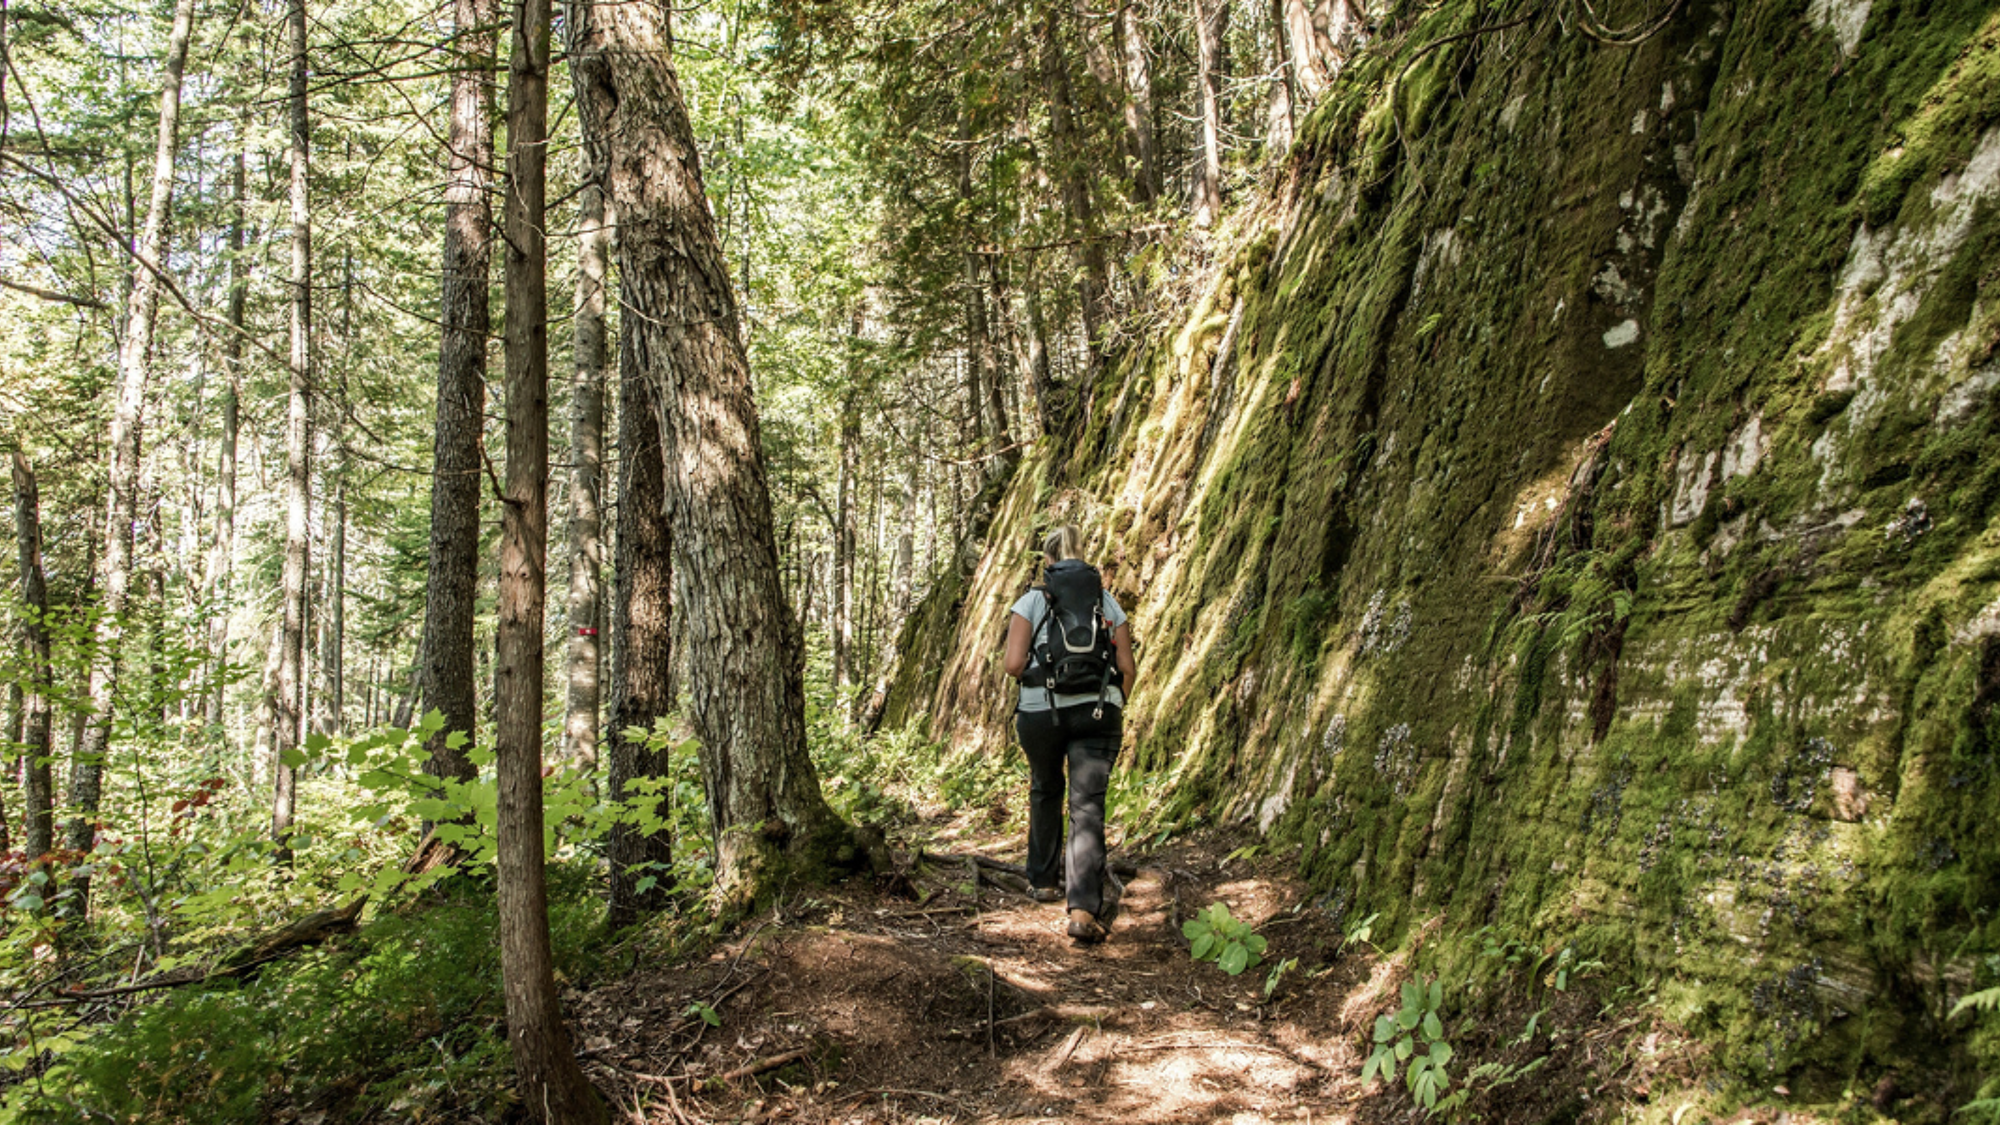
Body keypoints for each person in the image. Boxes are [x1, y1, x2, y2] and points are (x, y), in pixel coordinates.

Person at [1002, 525, 1138, 943]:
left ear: (1048, 561)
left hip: (1041, 714)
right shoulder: (1106, 601)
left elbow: (1012, 663)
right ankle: (1082, 910)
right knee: (1087, 806)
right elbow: (1127, 667)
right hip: (1098, 713)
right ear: (1083, 556)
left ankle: (1042, 881)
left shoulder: (1031, 600)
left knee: (1045, 787)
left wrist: (1044, 681)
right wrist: (1112, 704)